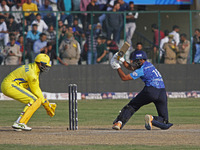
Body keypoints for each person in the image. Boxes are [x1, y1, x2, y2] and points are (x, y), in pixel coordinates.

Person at [110, 50, 173, 130]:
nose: (133, 62)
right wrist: (122, 60)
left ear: (141, 60)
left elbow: (124, 77)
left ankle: (119, 123)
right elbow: (131, 67)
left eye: (135, 61)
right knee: (164, 121)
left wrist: (117, 66)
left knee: (132, 106)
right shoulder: (149, 64)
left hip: (151, 91)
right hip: (162, 92)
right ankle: (151, 118)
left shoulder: (141, 70)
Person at [1, 53, 56, 131]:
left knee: (37, 100)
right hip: (10, 85)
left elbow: (36, 91)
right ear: (40, 64)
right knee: (34, 100)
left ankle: (19, 123)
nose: (46, 68)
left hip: (9, 85)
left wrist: (44, 102)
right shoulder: (32, 74)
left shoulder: (32, 67)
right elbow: (36, 90)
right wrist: (46, 104)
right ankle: (20, 122)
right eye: (45, 65)